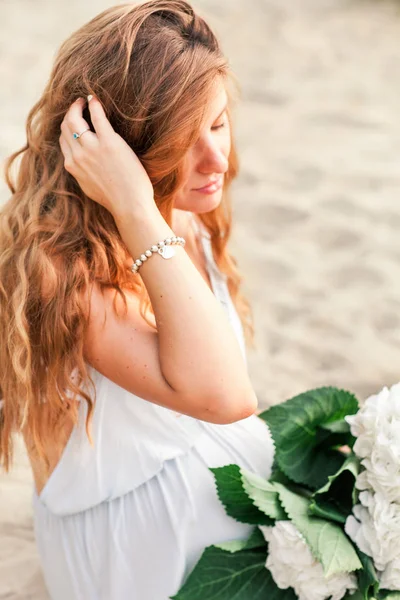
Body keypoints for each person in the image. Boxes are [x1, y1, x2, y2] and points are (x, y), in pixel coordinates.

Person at [0, 1, 275, 598]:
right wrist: (132, 206)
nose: (217, 160)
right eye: (184, 138)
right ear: (117, 153)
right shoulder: (68, 273)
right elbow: (226, 395)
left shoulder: (185, 210)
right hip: (137, 560)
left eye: (220, 123)